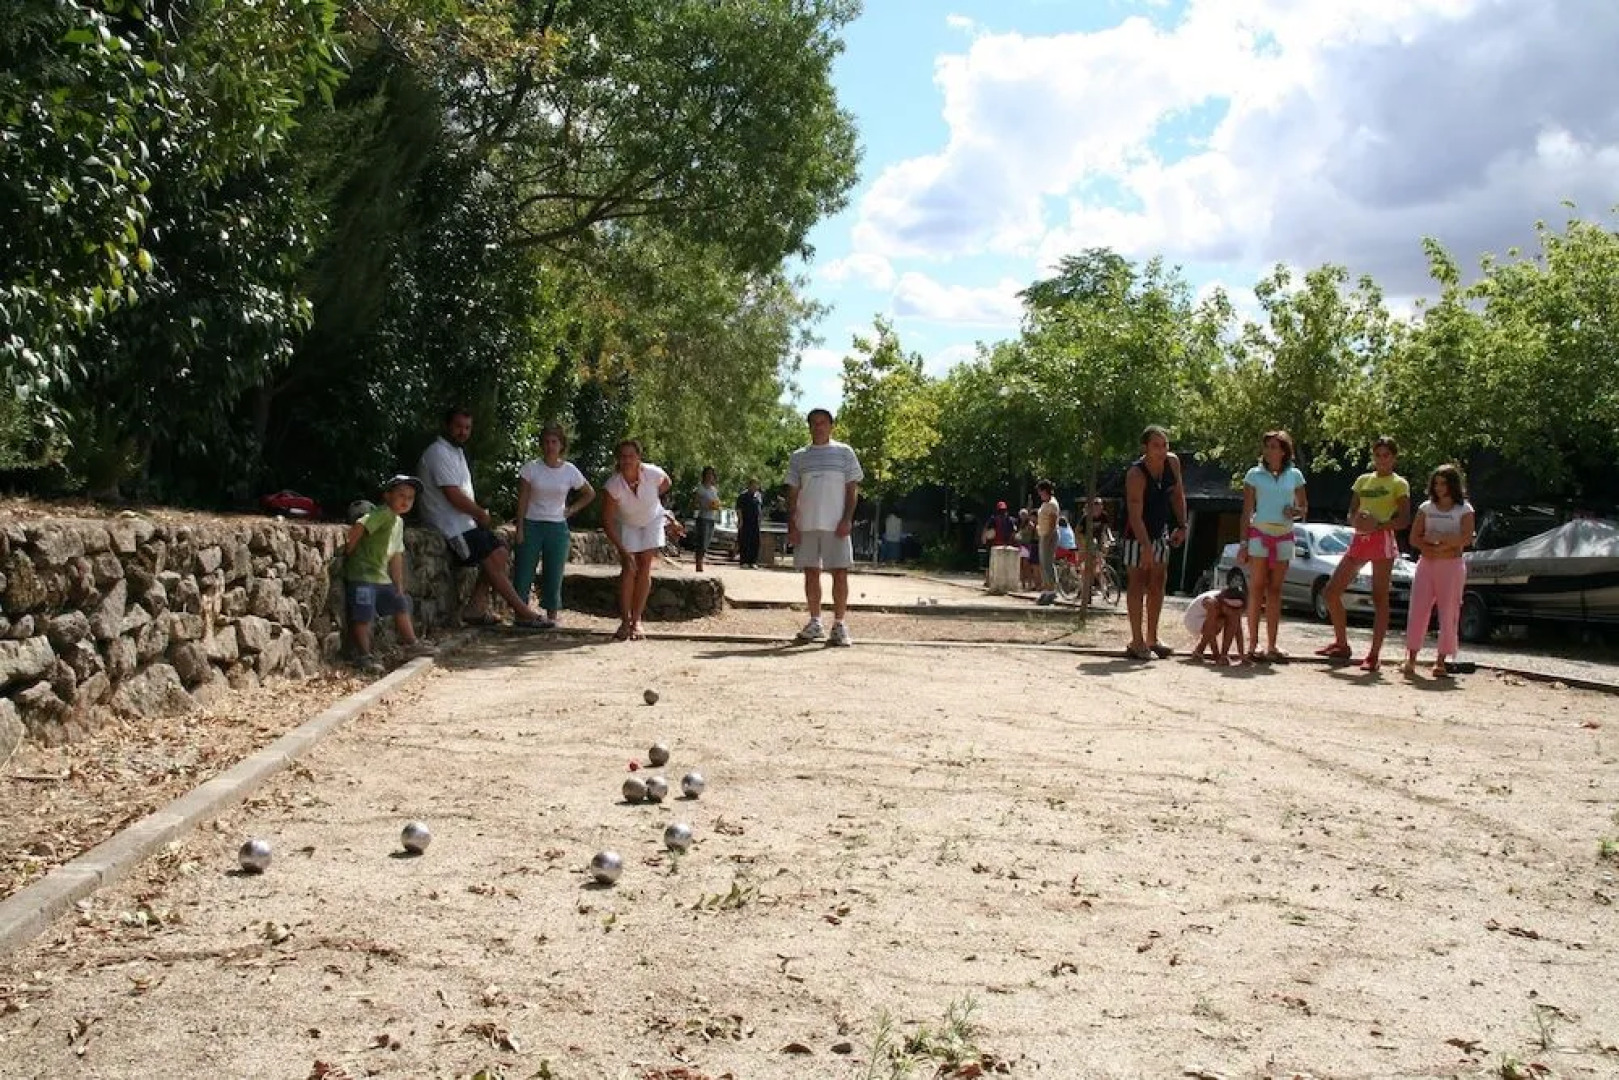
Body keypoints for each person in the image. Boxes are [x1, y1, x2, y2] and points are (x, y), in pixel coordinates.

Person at [417, 407, 547, 627]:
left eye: (467, 428)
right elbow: (453, 495)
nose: (463, 432)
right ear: (447, 426)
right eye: (458, 426)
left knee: (500, 552)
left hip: (465, 523)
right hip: (449, 526)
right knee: (490, 558)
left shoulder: (456, 452)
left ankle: (475, 608)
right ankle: (524, 612)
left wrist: (477, 516)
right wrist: (479, 513)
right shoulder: (437, 452)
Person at [1318, 436, 1411, 672]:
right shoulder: (1362, 480)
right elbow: (1352, 510)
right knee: (1331, 591)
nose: (1381, 460)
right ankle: (1341, 643)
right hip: (1360, 539)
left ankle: (1373, 655)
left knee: (1380, 597)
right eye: (1378, 455)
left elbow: (1403, 519)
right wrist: (1357, 521)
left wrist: (1377, 525)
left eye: (1386, 455)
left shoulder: (1399, 483)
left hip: (1383, 540)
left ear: (1394, 458)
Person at [344, 476, 438, 674]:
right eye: (401, 495)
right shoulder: (383, 513)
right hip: (363, 574)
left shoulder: (398, 522)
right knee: (363, 615)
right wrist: (350, 547)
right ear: (388, 496)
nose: (405, 501)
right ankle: (364, 655)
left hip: (381, 577)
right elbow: (362, 524)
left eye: (410, 498)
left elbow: (396, 554)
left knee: (400, 603)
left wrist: (398, 584)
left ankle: (411, 644)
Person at [786, 407, 863, 646]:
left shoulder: (844, 453)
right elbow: (793, 492)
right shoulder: (799, 456)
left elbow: (852, 490)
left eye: (823, 422)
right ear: (809, 427)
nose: (818, 426)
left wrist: (847, 518)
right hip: (807, 524)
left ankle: (839, 625)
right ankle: (815, 622)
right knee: (811, 573)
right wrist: (792, 522)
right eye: (814, 423)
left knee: (840, 573)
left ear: (831, 426)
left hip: (835, 524)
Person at [514, 424, 595, 629]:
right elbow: (522, 499)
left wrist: (571, 510)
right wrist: (520, 527)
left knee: (554, 571)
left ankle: (552, 614)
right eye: (547, 442)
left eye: (554, 442)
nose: (550, 446)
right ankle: (521, 613)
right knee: (524, 569)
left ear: (561, 445)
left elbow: (589, 493)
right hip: (532, 523)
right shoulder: (531, 468)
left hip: (557, 526)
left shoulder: (569, 471)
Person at [1238, 430, 1308, 662]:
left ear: (1284, 450)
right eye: (1267, 446)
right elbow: (1247, 511)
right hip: (1260, 533)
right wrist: (1244, 542)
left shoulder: (1295, 475)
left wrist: (1295, 511)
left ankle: (1273, 645)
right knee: (1257, 586)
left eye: (1274, 446)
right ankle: (1253, 644)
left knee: (1276, 590)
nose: (1269, 451)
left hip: (1285, 535)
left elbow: (1303, 508)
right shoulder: (1253, 475)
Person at [1122, 425, 1189, 661]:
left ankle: (1153, 637)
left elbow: (1178, 495)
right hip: (1136, 533)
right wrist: (1146, 547)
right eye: (1156, 446)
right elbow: (1134, 513)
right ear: (1145, 448)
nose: (1161, 450)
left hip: (1161, 529)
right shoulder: (1136, 474)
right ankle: (1136, 640)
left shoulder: (1172, 463)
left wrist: (1182, 525)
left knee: (1158, 581)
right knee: (1137, 582)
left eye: (1165, 445)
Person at [1403, 464, 1475, 678]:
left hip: (1451, 566)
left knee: (1449, 611)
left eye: (1443, 483)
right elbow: (1414, 537)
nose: (1439, 488)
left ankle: (1441, 660)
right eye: (1436, 483)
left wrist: (1442, 542)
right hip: (1427, 563)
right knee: (1418, 609)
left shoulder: (1464, 510)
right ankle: (1411, 657)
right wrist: (1430, 547)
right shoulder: (1426, 508)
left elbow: (1465, 538)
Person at [600, 439, 671, 641]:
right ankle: (625, 620)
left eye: (631, 456)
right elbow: (607, 520)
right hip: (628, 523)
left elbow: (666, 483)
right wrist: (623, 550)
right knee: (629, 568)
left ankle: (637, 620)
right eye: (623, 456)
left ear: (639, 457)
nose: (627, 460)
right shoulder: (613, 485)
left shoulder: (652, 473)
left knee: (645, 565)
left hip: (652, 519)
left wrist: (650, 500)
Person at [1186, 582, 1247, 666]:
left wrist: (1242, 656)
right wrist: (1216, 656)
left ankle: (1224, 654)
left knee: (1232, 620)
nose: (1233, 611)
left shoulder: (1231, 607)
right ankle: (1199, 650)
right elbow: (1210, 629)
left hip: (1208, 621)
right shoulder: (1212, 603)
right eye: (1231, 608)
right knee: (1219, 623)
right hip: (1194, 620)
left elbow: (1238, 630)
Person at [692, 466, 722, 573]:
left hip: (711, 518)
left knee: (707, 541)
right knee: (701, 540)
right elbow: (695, 504)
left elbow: (717, 502)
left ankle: (702, 559)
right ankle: (698, 563)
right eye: (708, 474)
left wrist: (717, 505)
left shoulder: (714, 490)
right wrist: (705, 506)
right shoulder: (700, 488)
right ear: (704, 475)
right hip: (703, 517)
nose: (710, 476)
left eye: (712, 474)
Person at [1082, 497, 1114, 593]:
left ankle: (1103, 586)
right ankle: (1084, 589)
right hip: (1087, 540)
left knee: (1099, 564)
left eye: (1100, 507)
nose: (1099, 509)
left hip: (1098, 540)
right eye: (1096, 507)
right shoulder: (1087, 517)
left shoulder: (1104, 516)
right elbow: (1080, 532)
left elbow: (1106, 529)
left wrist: (1110, 539)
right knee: (1089, 566)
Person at [1035, 480, 1060, 594]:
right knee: (1044, 563)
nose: (1039, 494)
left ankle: (1051, 589)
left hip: (1049, 535)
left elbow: (1052, 523)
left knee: (1047, 562)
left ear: (1045, 491)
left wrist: (1047, 537)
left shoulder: (1052, 504)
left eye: (1040, 491)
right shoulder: (1045, 503)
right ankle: (1047, 587)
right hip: (1043, 534)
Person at [736, 478, 764, 567]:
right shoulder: (743, 496)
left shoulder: (758, 496)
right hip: (746, 521)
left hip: (755, 522)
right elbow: (739, 509)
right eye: (753, 485)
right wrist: (740, 520)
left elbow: (759, 509)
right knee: (745, 541)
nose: (755, 487)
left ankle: (753, 562)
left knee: (755, 542)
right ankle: (744, 561)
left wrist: (760, 520)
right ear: (749, 485)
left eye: (756, 485)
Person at [1015, 509, 1039, 590]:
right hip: (1021, 545)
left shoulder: (1030, 524)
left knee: (1026, 566)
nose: (1022, 516)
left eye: (1024, 515)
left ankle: (1029, 583)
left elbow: (1032, 532)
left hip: (1027, 545)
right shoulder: (1020, 524)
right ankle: (1023, 584)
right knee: (1021, 566)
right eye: (1021, 515)